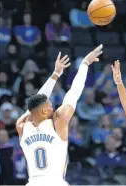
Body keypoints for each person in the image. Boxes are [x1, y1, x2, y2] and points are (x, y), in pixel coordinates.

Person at [15, 45, 103, 186]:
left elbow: (36, 103)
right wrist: (85, 64)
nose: (52, 107)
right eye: (49, 105)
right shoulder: (58, 122)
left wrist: (56, 74)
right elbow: (74, 92)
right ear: (44, 110)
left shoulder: (22, 126)